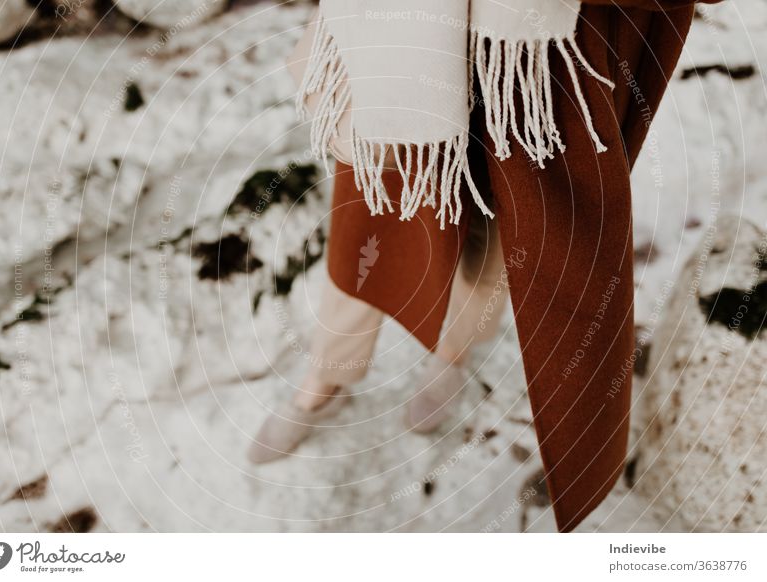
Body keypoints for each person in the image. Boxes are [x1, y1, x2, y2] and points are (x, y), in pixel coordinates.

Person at [248, 0, 722, 532]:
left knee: (496, 235)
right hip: (407, 32)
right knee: (371, 221)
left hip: (535, 54)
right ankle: (325, 376)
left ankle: (451, 354)